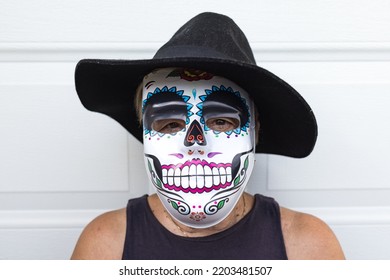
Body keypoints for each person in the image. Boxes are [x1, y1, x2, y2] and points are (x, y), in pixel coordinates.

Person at [71, 12, 345, 260]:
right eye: (169, 124)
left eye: (222, 121)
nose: (195, 142)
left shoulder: (307, 245)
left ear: (254, 129)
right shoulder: (105, 244)